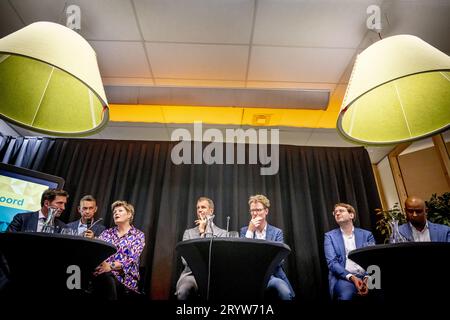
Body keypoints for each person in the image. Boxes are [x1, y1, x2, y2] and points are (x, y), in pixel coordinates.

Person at [240, 194, 295, 300]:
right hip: (251, 277)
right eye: (252, 210)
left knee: (285, 294)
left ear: (266, 211)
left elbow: (280, 260)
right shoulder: (244, 231)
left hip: (272, 276)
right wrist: (250, 231)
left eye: (259, 210)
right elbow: (243, 257)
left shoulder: (276, 232)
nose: (255, 213)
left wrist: (258, 261)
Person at [175, 197, 227, 300]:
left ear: (211, 211)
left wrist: (204, 232)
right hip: (191, 275)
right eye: (198, 208)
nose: (199, 210)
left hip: (215, 277)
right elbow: (186, 261)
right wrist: (201, 233)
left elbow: (220, 260)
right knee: (183, 290)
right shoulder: (188, 233)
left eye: (203, 207)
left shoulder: (223, 233)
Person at [93, 200, 145, 300]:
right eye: (114, 212)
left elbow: (131, 259)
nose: (116, 213)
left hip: (125, 277)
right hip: (101, 271)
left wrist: (110, 266)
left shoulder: (138, 235)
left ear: (129, 214)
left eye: (120, 210)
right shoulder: (107, 233)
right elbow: (98, 251)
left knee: (106, 277)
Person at [324, 203, 375, 301]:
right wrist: (353, 278)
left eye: (341, 211)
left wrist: (367, 279)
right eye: (335, 212)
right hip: (344, 277)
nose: (337, 213)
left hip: (369, 276)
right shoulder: (329, 236)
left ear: (351, 215)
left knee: (380, 293)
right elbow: (332, 263)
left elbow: (373, 259)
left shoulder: (367, 235)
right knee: (346, 297)